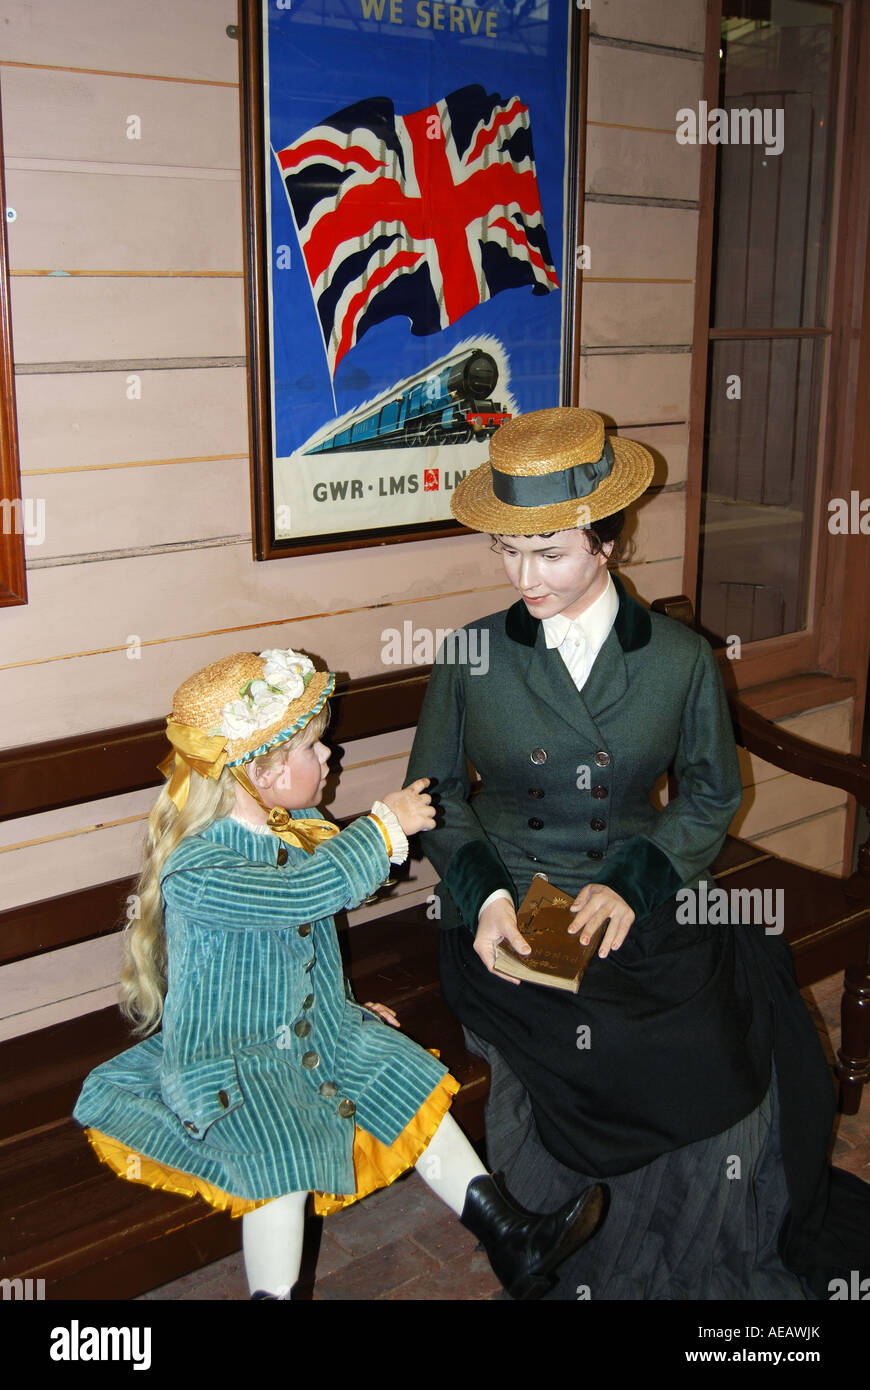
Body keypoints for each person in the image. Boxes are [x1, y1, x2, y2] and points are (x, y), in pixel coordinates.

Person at [406, 405, 870, 1300]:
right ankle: (581, 1257)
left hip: (641, 897)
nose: (523, 577)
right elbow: (437, 801)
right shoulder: (468, 657)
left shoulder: (680, 660)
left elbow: (709, 793)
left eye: (549, 553)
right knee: (588, 1061)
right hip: (508, 911)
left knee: (718, 1059)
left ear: (606, 542)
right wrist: (486, 897)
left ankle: (696, 1258)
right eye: (508, 551)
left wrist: (634, 882)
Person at [73, 645, 608, 1300]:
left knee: (408, 1082)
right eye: (312, 750)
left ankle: (509, 1235)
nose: (330, 758)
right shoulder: (202, 869)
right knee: (279, 1159)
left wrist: (342, 1005)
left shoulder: (294, 827)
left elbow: (313, 939)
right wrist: (383, 829)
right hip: (234, 1058)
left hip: (313, 1030)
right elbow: (301, 897)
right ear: (259, 774)